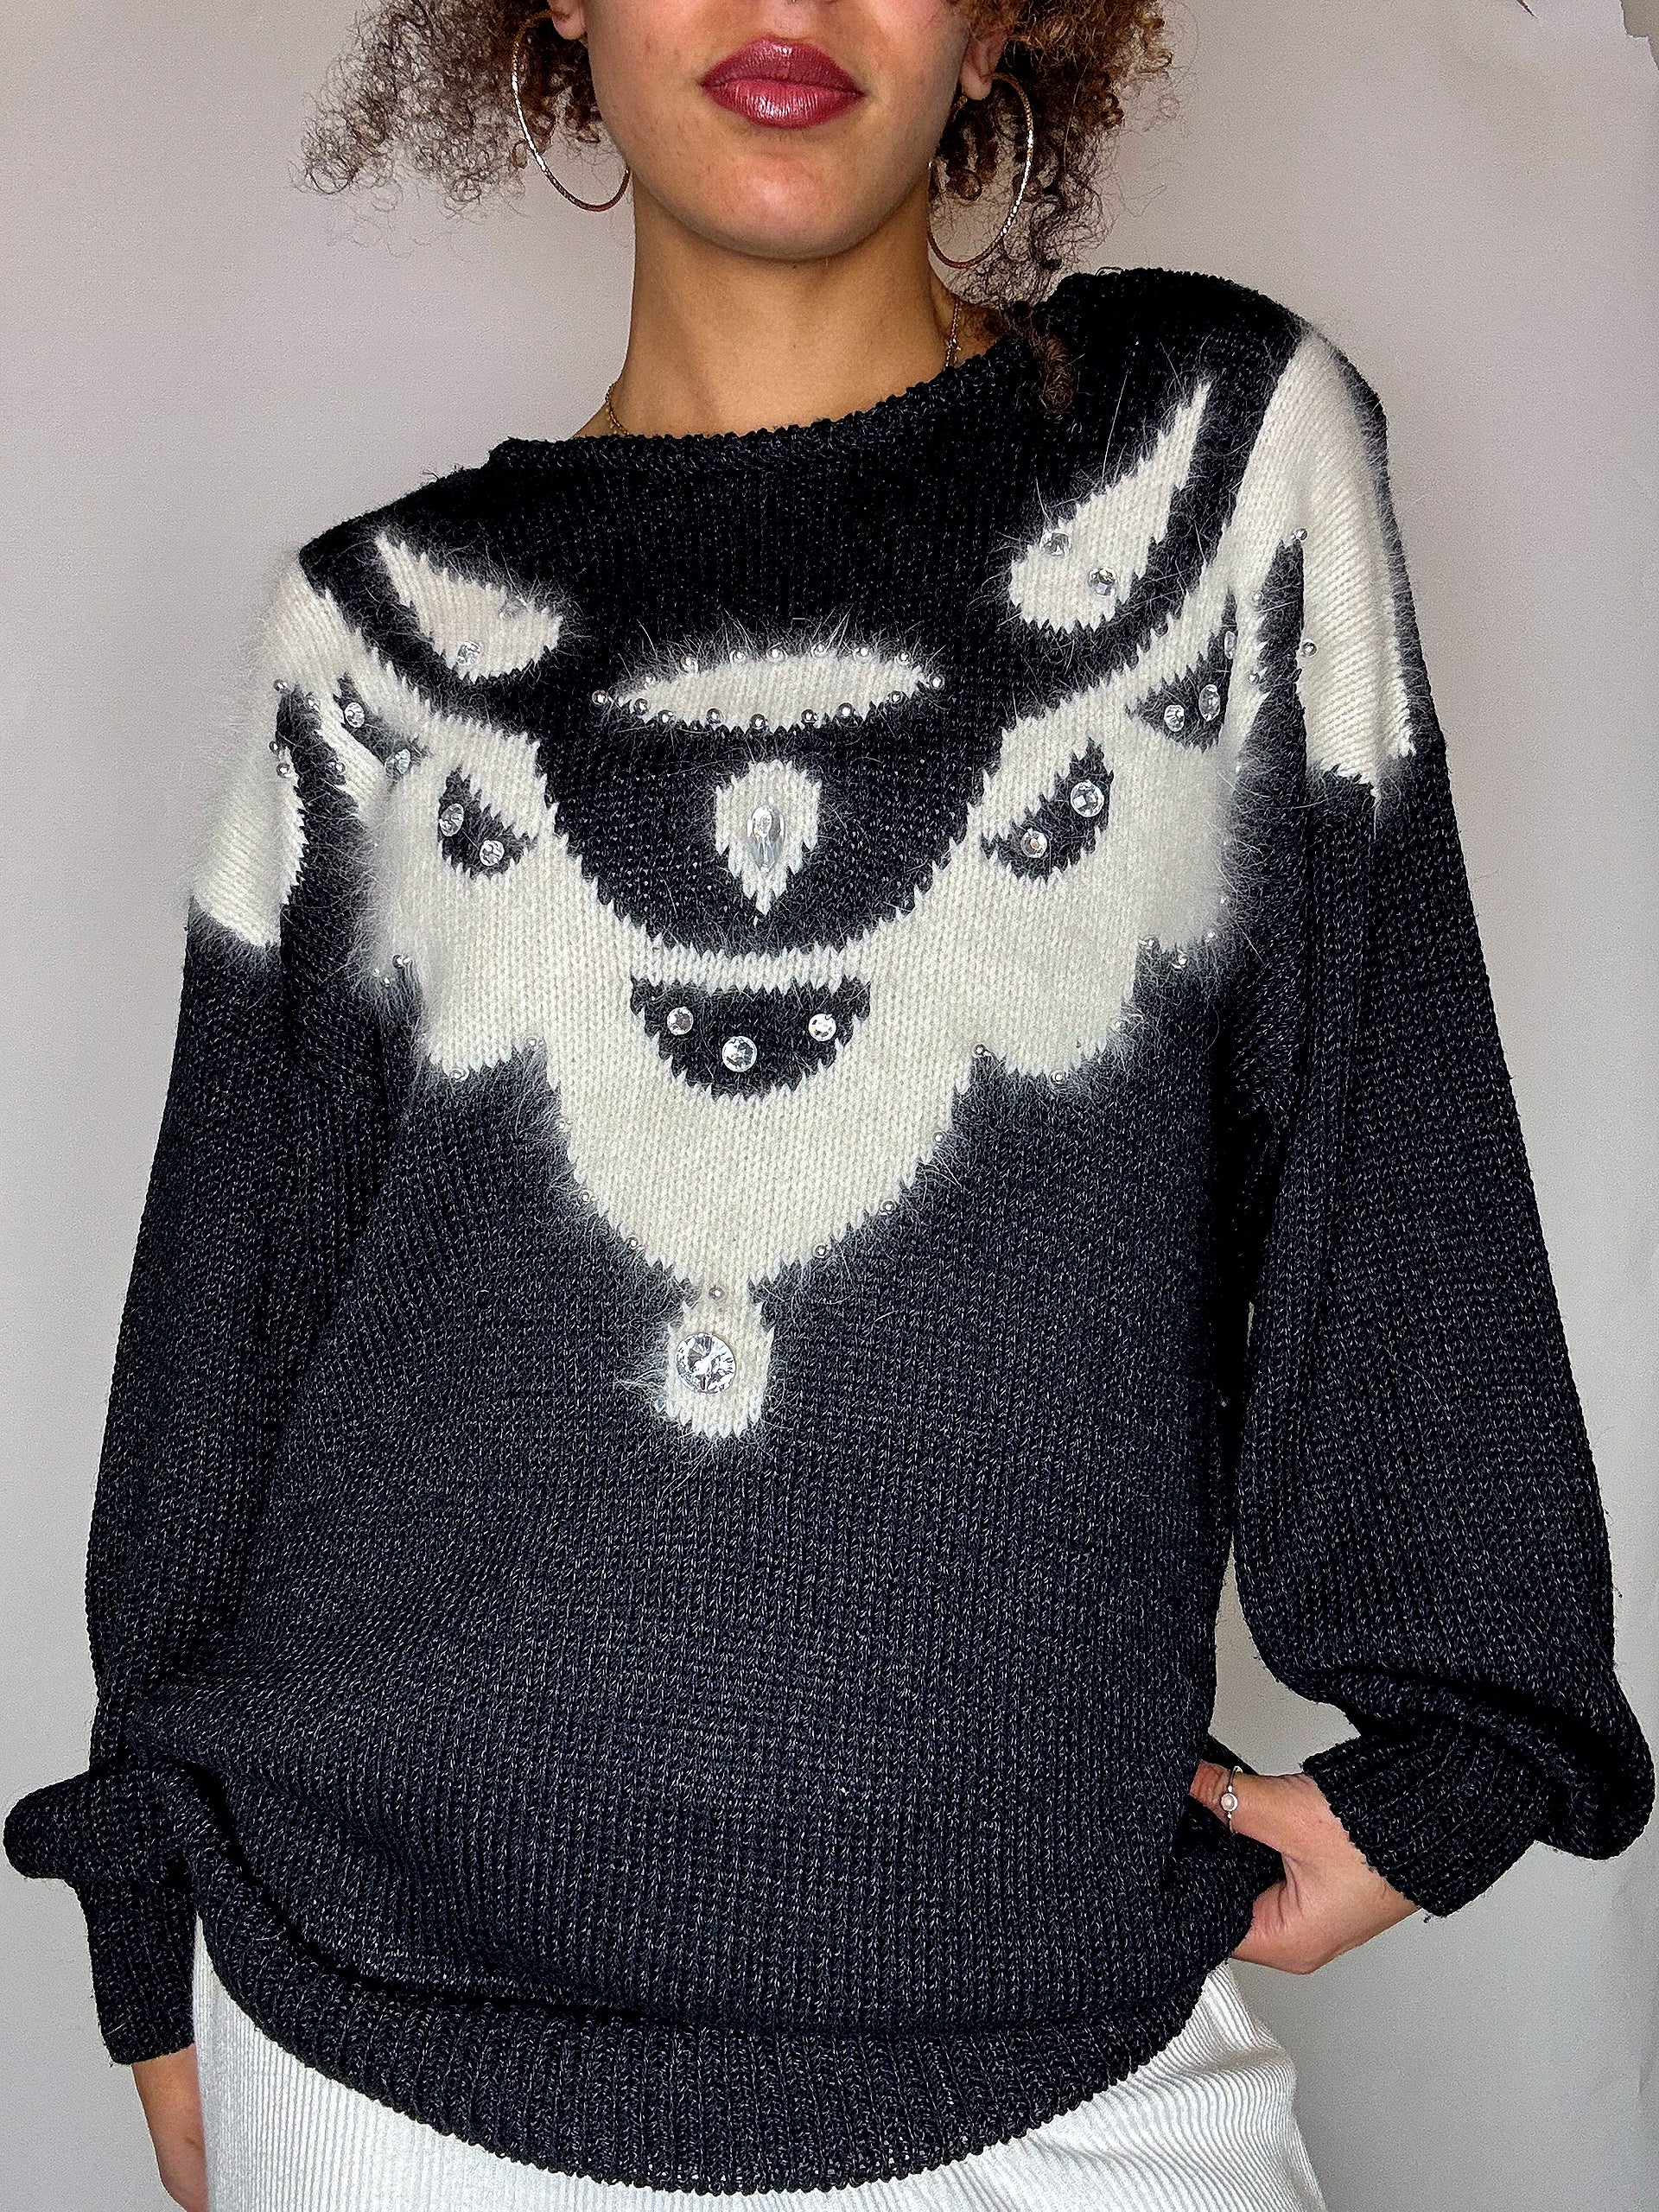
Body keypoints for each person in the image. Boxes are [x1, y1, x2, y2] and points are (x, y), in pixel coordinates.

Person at [8, 3, 1654, 2209]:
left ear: (1002, 24)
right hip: (379, 2025)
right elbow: (224, 1332)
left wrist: (1461, 1742)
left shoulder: (1219, 464)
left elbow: (1388, 1130)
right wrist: (146, 1909)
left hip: (1048, 2026)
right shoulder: (370, 637)